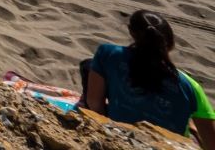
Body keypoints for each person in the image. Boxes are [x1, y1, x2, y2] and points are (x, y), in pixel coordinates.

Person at [82, 11, 215, 145]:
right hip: (168, 145)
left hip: (119, 138)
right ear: (170, 42)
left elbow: (95, 104)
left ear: (131, 32)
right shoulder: (189, 87)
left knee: (89, 65)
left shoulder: (108, 54)